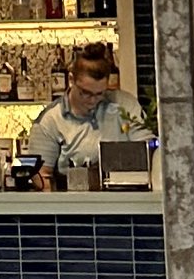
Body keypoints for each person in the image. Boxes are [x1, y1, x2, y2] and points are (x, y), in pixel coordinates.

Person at [25, 47, 147, 185]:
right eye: (85, 93)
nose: (93, 100)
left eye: (100, 93)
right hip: (74, 196)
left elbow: (148, 149)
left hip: (127, 193)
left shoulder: (124, 103)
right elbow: (41, 176)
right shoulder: (50, 120)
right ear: (71, 79)